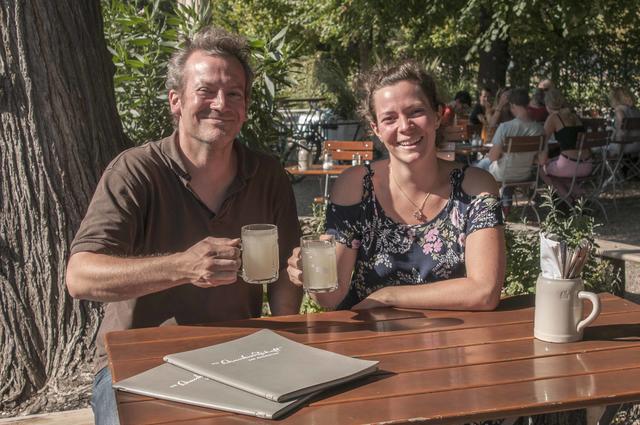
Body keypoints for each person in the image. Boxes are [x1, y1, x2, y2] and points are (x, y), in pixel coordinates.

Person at [66, 27, 302, 425]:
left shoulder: (267, 173)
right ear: (176, 101)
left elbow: (282, 274)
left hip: (241, 354)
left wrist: (286, 342)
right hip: (142, 361)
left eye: (234, 94)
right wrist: (183, 267)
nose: (220, 104)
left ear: (245, 107)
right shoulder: (136, 170)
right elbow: (80, 276)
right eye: (205, 91)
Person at [287, 61, 505, 312]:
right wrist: (311, 277)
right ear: (376, 129)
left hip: (450, 341)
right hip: (369, 341)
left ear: (437, 115)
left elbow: (485, 292)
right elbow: (330, 298)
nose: (404, 126)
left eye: (415, 112)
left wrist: (389, 296)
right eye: (389, 118)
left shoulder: (475, 187)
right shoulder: (356, 186)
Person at [474, 88, 544, 211]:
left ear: (512, 105)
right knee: (491, 164)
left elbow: (493, 157)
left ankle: (477, 206)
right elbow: (541, 159)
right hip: (525, 174)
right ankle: (505, 207)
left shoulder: (505, 128)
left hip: (503, 173)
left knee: (476, 169)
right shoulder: (540, 129)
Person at [538, 88, 589, 201]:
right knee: (556, 167)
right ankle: (579, 196)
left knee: (542, 169)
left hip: (569, 166)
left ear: (547, 104)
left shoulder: (553, 117)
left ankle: (567, 201)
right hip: (587, 164)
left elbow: (542, 141)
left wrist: (542, 159)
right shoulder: (574, 116)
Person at [609, 87, 640, 155]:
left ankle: (610, 164)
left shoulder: (619, 110)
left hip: (625, 146)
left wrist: (619, 151)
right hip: (638, 145)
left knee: (600, 146)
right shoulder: (637, 110)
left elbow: (622, 132)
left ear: (615, 98)